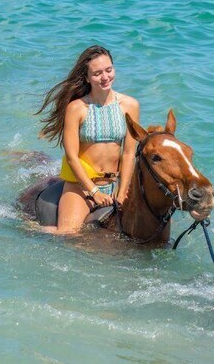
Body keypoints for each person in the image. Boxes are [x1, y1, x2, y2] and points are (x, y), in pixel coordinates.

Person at [36, 45, 140, 234]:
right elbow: (72, 157)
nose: (105, 77)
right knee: (67, 234)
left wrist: (123, 190)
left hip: (114, 184)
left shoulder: (130, 106)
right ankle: (29, 229)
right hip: (81, 187)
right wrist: (94, 192)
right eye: (97, 73)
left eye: (109, 70)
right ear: (86, 77)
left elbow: (128, 153)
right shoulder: (77, 108)